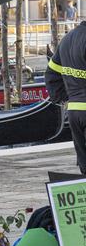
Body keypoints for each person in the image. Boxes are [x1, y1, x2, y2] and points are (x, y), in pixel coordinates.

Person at [46, 20, 86, 174]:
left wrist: (65, 99)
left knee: (84, 163)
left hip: (75, 111)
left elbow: (51, 74)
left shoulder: (68, 39)